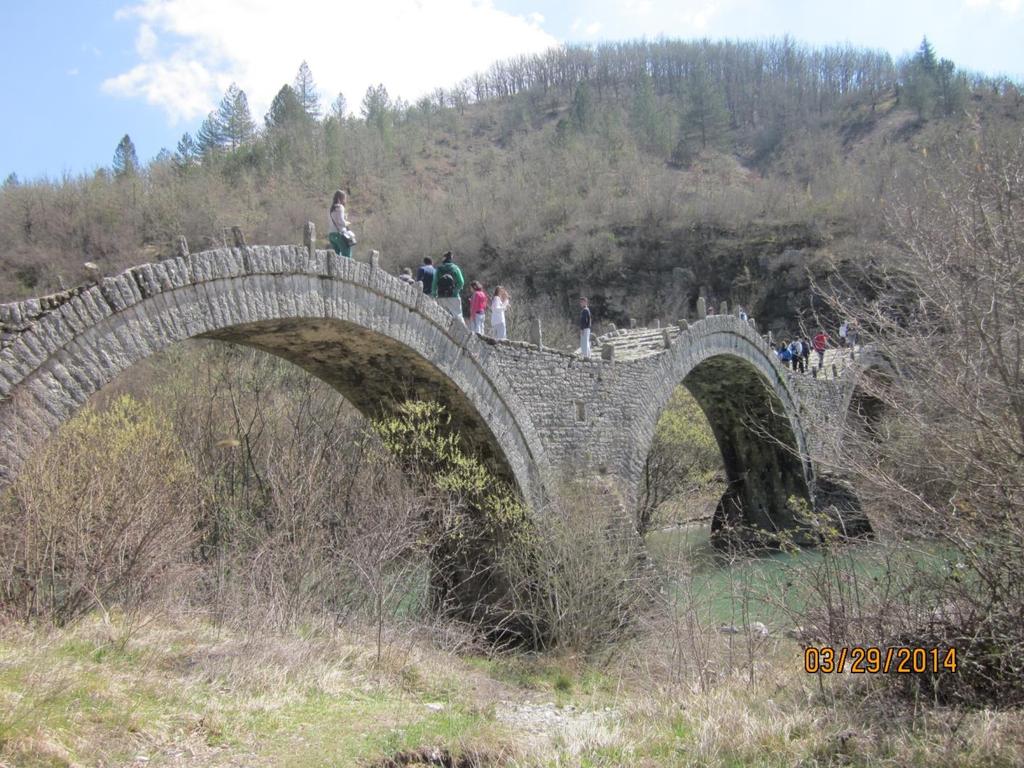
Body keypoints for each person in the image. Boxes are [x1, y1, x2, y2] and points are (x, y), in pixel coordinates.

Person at [431, 251, 465, 325]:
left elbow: (434, 283)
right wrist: (455, 291)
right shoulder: (455, 268)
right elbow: (461, 282)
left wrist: (434, 294)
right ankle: (462, 334)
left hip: (441, 296)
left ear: (444, 258)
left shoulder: (439, 269)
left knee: (441, 316)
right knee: (458, 316)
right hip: (454, 296)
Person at [328, 190, 354, 258]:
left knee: (336, 256)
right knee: (347, 255)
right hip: (339, 234)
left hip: (331, 234)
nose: (345, 201)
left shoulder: (331, 208)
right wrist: (347, 222)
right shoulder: (340, 207)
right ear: (340, 199)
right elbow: (341, 222)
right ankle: (347, 268)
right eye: (344, 199)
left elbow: (335, 220)